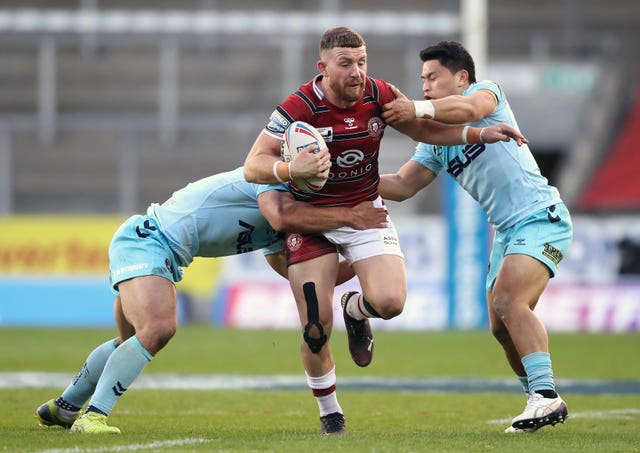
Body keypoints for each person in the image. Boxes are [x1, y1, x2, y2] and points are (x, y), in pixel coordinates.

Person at [243, 27, 527, 435]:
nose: (357, 71)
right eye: (346, 64)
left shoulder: (380, 95)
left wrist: (481, 132)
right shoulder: (298, 106)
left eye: (361, 62)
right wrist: (290, 170)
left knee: (391, 302)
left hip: (366, 213)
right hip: (315, 218)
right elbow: (255, 164)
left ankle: (356, 310)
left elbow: (427, 133)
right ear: (323, 68)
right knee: (315, 327)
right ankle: (331, 414)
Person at [34, 166, 389, 434]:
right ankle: (93, 416)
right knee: (157, 329)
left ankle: (66, 407)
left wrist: (363, 260)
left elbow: (290, 268)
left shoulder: (285, 216)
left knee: (131, 342)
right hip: (148, 241)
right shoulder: (271, 187)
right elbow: (282, 207)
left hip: (163, 253)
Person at [380, 40, 573, 433]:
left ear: (461, 77)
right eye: (422, 81)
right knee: (501, 328)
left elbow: (469, 110)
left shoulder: (487, 95)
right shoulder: (437, 139)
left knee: (509, 299)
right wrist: (345, 179)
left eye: (433, 77)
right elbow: (402, 185)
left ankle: (547, 396)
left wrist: (415, 109)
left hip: (540, 217)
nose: (426, 86)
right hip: (506, 232)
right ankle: (537, 398)